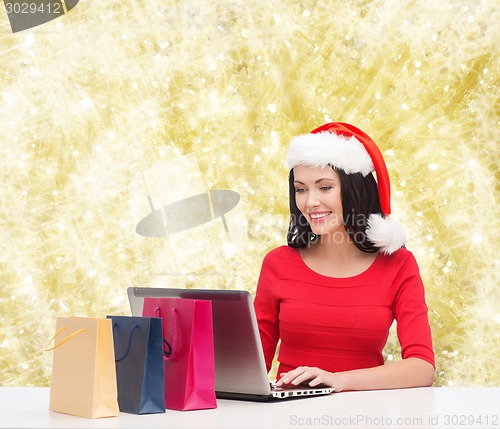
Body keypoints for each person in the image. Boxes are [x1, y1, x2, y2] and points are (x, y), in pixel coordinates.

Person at [254, 122, 435, 392]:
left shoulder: (399, 265)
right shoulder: (278, 263)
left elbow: (422, 367)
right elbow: (252, 364)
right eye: (301, 189)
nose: (310, 201)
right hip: (288, 413)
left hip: (362, 413)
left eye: (324, 187)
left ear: (355, 190)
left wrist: (339, 381)